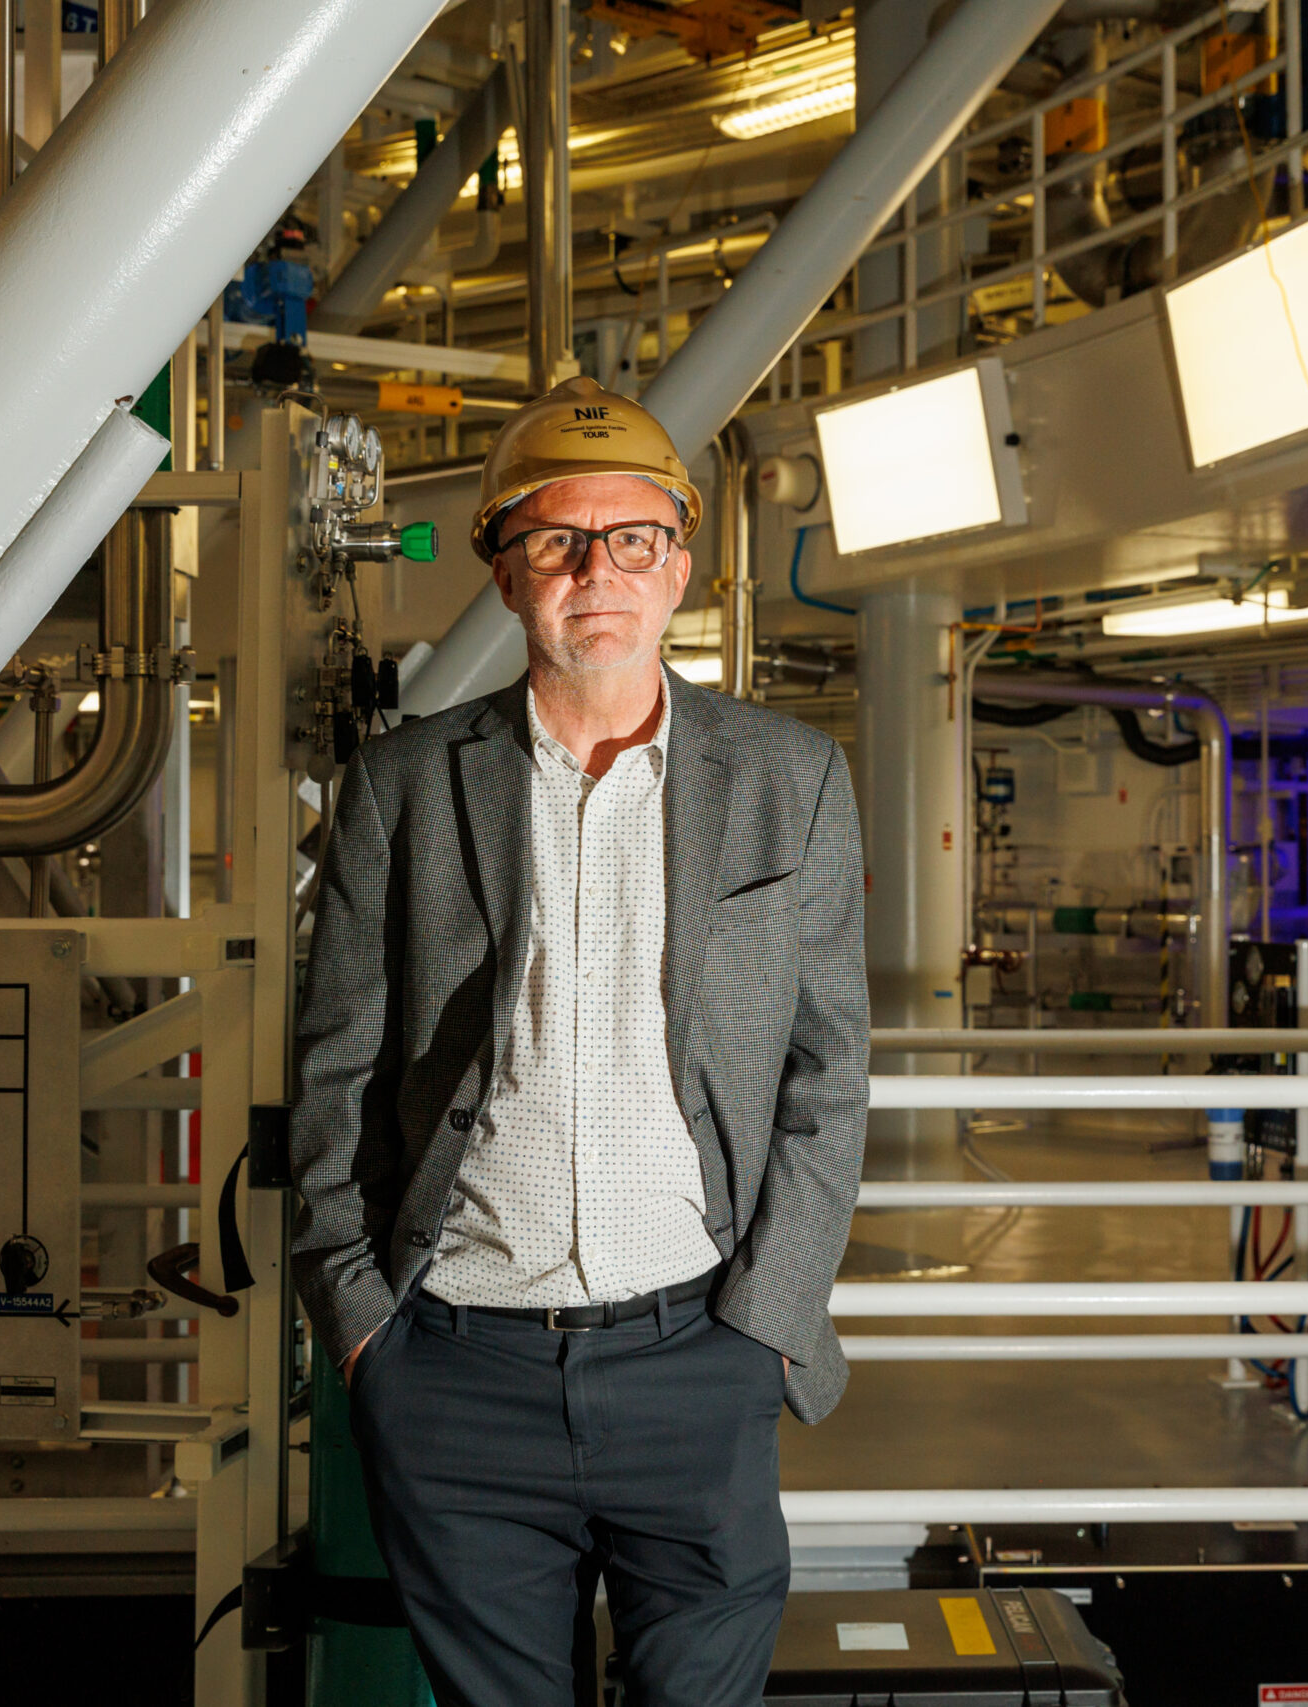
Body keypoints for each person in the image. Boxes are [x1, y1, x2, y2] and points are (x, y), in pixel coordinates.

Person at [288, 378, 869, 1705]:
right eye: (556, 541)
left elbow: (828, 1080)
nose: (596, 570)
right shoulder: (406, 788)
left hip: (699, 1353)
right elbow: (336, 1079)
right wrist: (367, 1331)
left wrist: (767, 1322)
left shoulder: (793, 782)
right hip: (457, 1370)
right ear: (505, 573)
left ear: (680, 567)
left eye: (632, 540)